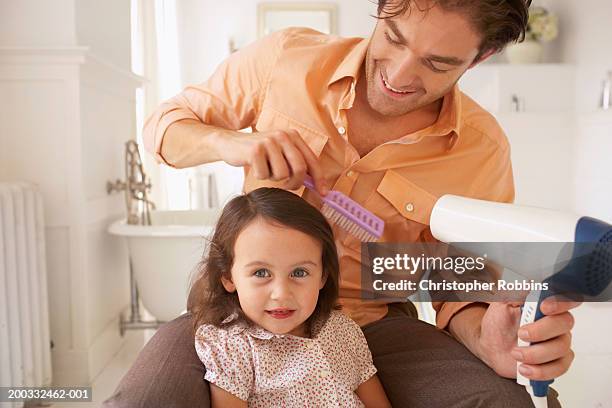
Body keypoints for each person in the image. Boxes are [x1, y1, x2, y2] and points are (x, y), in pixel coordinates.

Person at [104, 1, 575, 406]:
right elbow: (163, 128)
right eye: (392, 37)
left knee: (511, 401)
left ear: (481, 57)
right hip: (237, 315)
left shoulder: (481, 150)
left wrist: (489, 340)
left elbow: (458, 285)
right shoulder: (285, 58)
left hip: (371, 324)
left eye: (437, 63)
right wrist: (232, 144)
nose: (398, 75)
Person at [190, 187, 391, 407]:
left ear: (323, 276)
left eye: (299, 273)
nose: (281, 294)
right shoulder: (232, 348)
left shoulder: (343, 332)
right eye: (261, 273)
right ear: (228, 277)